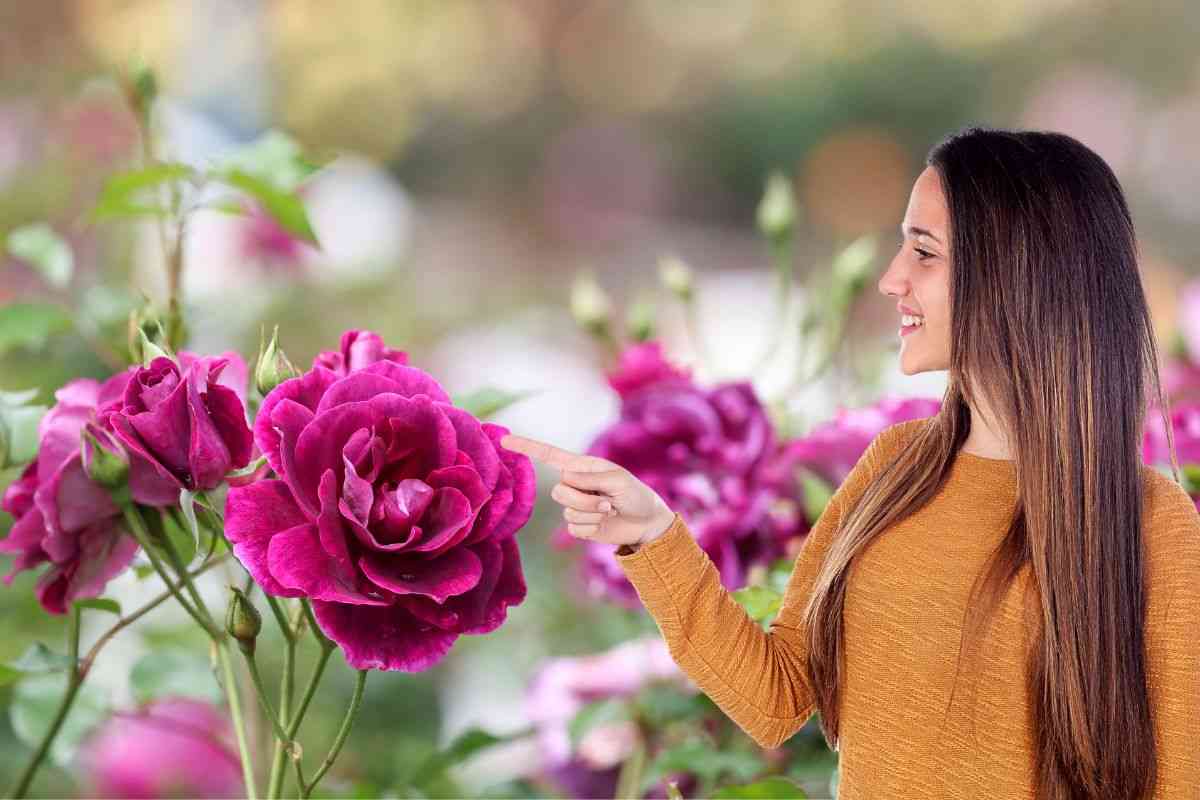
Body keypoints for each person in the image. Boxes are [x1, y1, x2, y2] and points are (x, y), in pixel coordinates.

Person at [500, 126, 1200, 800]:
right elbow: (777, 697)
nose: (892, 280)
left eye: (923, 253)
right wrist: (652, 533)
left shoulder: (1154, 526)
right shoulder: (895, 468)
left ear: (1016, 272)